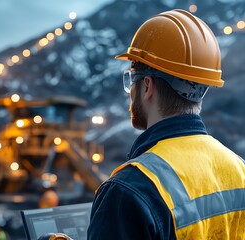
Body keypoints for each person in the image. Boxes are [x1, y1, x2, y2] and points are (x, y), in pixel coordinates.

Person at [87, 9, 245, 239]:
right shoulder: (240, 170)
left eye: (131, 80)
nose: (130, 91)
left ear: (147, 86)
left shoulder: (129, 190)